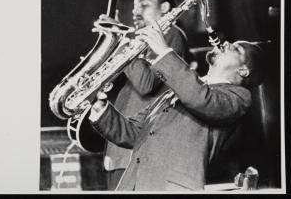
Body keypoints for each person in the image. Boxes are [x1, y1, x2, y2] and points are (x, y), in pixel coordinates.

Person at [89, 18, 265, 192]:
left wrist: (164, 52)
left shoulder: (239, 97)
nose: (225, 43)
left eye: (236, 48)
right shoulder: (181, 88)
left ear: (243, 70)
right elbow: (135, 133)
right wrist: (101, 109)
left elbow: (202, 99)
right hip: (134, 184)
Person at [97, 0, 193, 190]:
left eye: (144, 4)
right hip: (122, 151)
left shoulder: (170, 33)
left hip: (138, 152)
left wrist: (121, 42)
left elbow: (145, 84)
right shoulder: (143, 42)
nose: (135, 11)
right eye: (134, 7)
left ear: (165, 7)